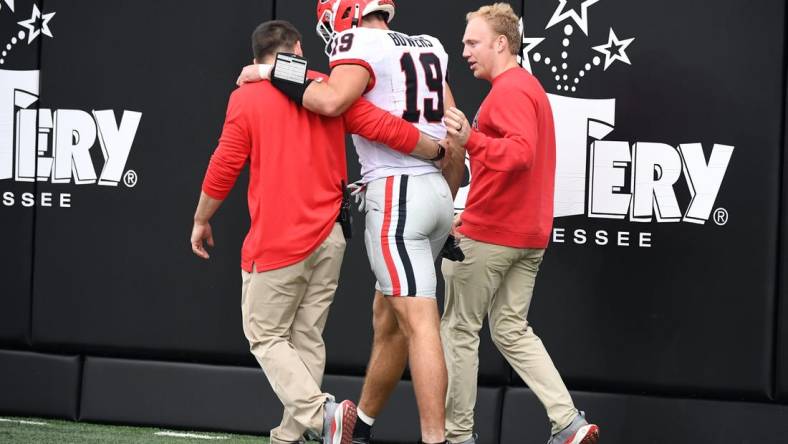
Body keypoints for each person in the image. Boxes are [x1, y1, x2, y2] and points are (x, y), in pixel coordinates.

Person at [191, 20, 448, 444]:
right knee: (306, 336)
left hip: (279, 236)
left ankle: (322, 414)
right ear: (296, 48)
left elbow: (224, 165)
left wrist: (202, 219)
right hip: (330, 235)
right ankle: (293, 436)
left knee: (266, 335)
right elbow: (386, 128)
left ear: (257, 57)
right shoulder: (327, 88)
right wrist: (439, 150)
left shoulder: (248, 97)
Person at [440, 4, 600, 444]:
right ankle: (567, 422)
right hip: (527, 236)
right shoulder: (527, 88)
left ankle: (458, 438)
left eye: (472, 42)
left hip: (491, 235)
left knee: (458, 331)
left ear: (501, 43)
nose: (465, 51)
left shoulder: (509, 91)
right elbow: (514, 161)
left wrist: (470, 139)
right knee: (510, 330)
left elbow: (520, 154)